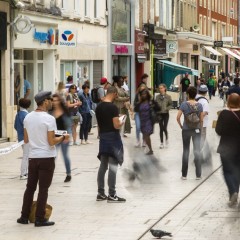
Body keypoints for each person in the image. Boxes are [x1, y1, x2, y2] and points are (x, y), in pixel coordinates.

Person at [17, 91, 70, 226]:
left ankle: (24, 216)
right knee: (43, 189)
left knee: (30, 188)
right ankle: (40, 218)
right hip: (46, 157)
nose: (52, 102)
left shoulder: (28, 117)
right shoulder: (49, 119)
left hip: (33, 157)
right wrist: (63, 137)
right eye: (50, 100)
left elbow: (27, 139)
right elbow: (51, 141)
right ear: (45, 102)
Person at [95, 86, 126, 203]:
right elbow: (116, 125)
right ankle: (112, 194)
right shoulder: (113, 108)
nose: (116, 97)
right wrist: (121, 121)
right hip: (113, 137)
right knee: (113, 166)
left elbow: (99, 124)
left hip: (103, 136)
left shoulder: (99, 107)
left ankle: (100, 193)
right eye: (116, 95)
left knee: (103, 166)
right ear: (113, 94)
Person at [215, 93, 240, 207]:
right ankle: (236, 192)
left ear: (228, 101)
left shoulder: (224, 114)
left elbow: (218, 131)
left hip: (226, 148)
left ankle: (232, 192)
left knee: (227, 171)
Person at [176, 86, 203, 180]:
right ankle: (198, 175)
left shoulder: (183, 104)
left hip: (186, 130)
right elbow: (201, 119)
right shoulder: (199, 105)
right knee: (197, 151)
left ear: (187, 94)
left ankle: (184, 175)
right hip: (197, 130)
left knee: (186, 151)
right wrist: (200, 129)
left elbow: (178, 117)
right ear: (195, 95)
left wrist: (181, 126)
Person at [52, 94, 72, 182]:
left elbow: (68, 125)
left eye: (56, 100)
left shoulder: (65, 111)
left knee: (65, 156)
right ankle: (49, 174)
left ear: (60, 101)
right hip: (54, 138)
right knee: (53, 156)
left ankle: (68, 174)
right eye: (53, 100)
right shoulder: (50, 112)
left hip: (64, 137)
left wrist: (67, 137)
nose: (55, 102)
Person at [14, 98, 31, 180]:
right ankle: (23, 173)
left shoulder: (18, 114)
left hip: (21, 138)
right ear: (28, 106)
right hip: (26, 138)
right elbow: (28, 127)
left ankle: (25, 172)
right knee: (26, 155)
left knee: (26, 155)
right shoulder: (26, 115)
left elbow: (15, 126)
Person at [195, 85, 211, 163]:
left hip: (193, 124)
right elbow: (203, 113)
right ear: (206, 92)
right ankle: (197, 156)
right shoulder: (205, 102)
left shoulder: (195, 99)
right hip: (202, 124)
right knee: (201, 140)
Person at [155, 84, 172, 149]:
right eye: (159, 88)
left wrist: (167, 108)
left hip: (166, 114)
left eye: (162, 88)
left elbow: (171, 104)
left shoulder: (168, 96)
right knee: (161, 128)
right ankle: (161, 143)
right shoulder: (157, 97)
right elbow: (155, 104)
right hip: (159, 114)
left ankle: (166, 139)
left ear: (165, 88)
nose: (160, 89)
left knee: (165, 128)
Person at [139, 89, 155, 155]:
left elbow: (154, 110)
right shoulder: (141, 102)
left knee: (147, 134)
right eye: (142, 94)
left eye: (145, 94)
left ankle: (151, 150)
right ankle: (150, 149)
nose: (143, 95)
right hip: (142, 120)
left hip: (148, 121)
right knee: (145, 136)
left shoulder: (150, 102)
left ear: (147, 95)